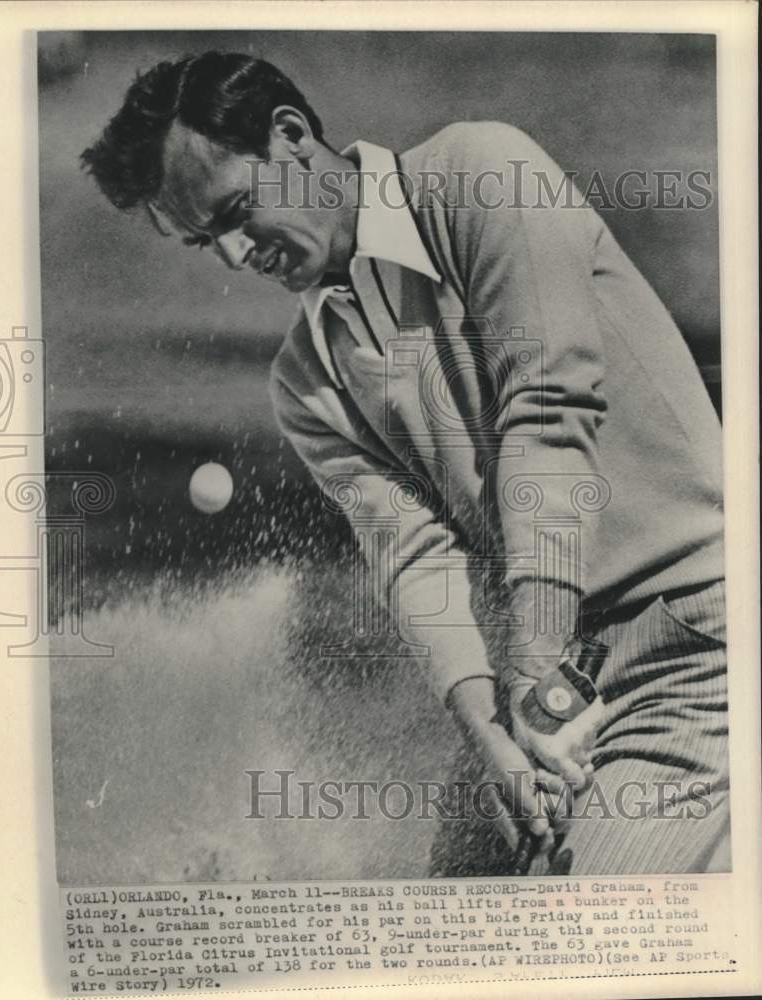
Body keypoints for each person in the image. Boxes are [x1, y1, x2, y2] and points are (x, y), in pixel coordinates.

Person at [81, 51, 729, 875]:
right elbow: (417, 559)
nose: (239, 256)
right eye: (208, 241)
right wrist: (493, 733)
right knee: (445, 915)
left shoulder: (481, 174)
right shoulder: (307, 381)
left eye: (239, 212)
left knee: (574, 926)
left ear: (291, 135)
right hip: (556, 664)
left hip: (697, 632)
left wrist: (532, 673)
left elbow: (549, 417)